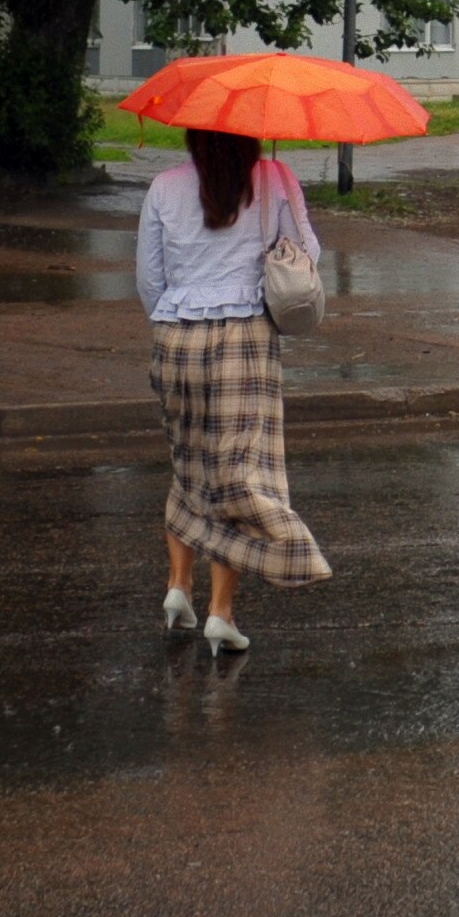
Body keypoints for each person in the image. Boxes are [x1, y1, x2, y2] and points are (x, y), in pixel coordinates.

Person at [134, 125, 331, 655]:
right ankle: (222, 612)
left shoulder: (163, 187)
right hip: (245, 339)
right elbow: (307, 251)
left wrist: (176, 314)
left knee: (190, 465)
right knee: (238, 477)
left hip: (176, 336)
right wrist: (277, 197)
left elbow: (149, 281)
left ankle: (179, 587)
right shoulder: (274, 176)